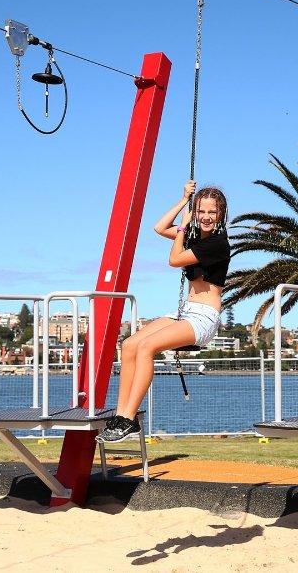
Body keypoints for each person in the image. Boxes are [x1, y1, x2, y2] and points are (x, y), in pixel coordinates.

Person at [96, 180, 230, 443]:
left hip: (204, 318)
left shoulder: (217, 244)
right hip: (186, 311)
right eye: (201, 211)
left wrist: (183, 226)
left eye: (212, 212)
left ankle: (128, 418)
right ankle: (122, 414)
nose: (205, 217)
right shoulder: (193, 234)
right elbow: (160, 228)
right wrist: (183, 202)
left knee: (147, 347)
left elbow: (174, 260)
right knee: (131, 344)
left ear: (221, 214)